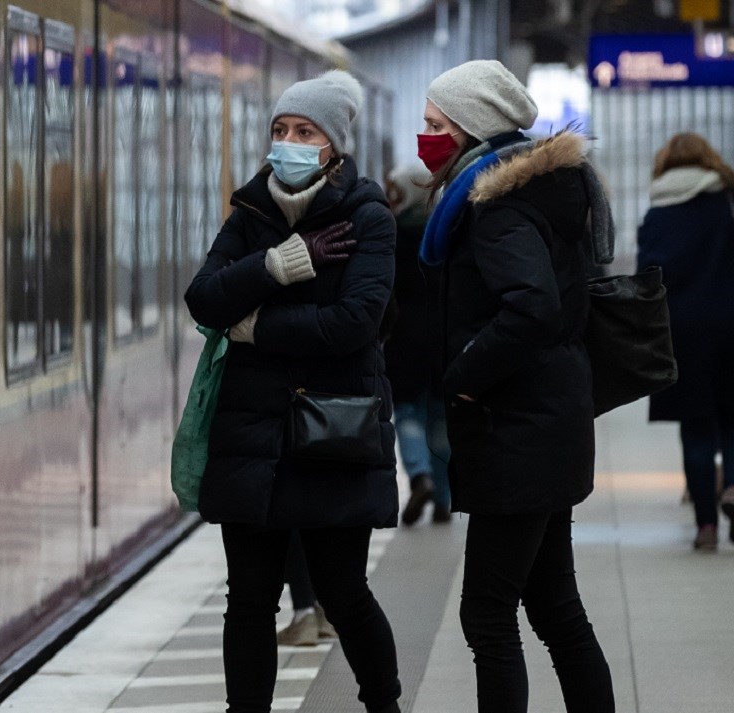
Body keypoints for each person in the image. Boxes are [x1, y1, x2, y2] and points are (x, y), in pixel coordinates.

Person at [185, 70, 401, 713]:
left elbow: (355, 323)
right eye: (280, 129)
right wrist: (279, 264)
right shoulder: (251, 211)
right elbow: (202, 297)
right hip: (252, 434)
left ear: (332, 144)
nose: (289, 141)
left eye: (304, 131)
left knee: (343, 590)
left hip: (333, 429)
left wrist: (254, 326)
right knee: (248, 598)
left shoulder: (368, 215)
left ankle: (384, 704)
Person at [416, 60, 615, 712]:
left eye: (435, 124)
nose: (426, 137)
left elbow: (531, 307)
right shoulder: (539, 194)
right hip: (546, 422)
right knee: (555, 604)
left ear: (471, 128)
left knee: (489, 614)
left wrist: (463, 374)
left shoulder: (498, 209)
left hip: (519, 430)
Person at [636, 133, 734, 551]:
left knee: (695, 428)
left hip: (682, 332)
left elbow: (648, 276)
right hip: (731, 324)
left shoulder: (659, 211)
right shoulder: (726, 203)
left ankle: (706, 528)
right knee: (733, 421)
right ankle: (732, 486)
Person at [383, 163, 452, 525]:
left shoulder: (389, 234)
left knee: (409, 413)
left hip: (403, 339)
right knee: (440, 420)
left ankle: (420, 475)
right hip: (443, 339)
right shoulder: (446, 231)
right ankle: (443, 498)